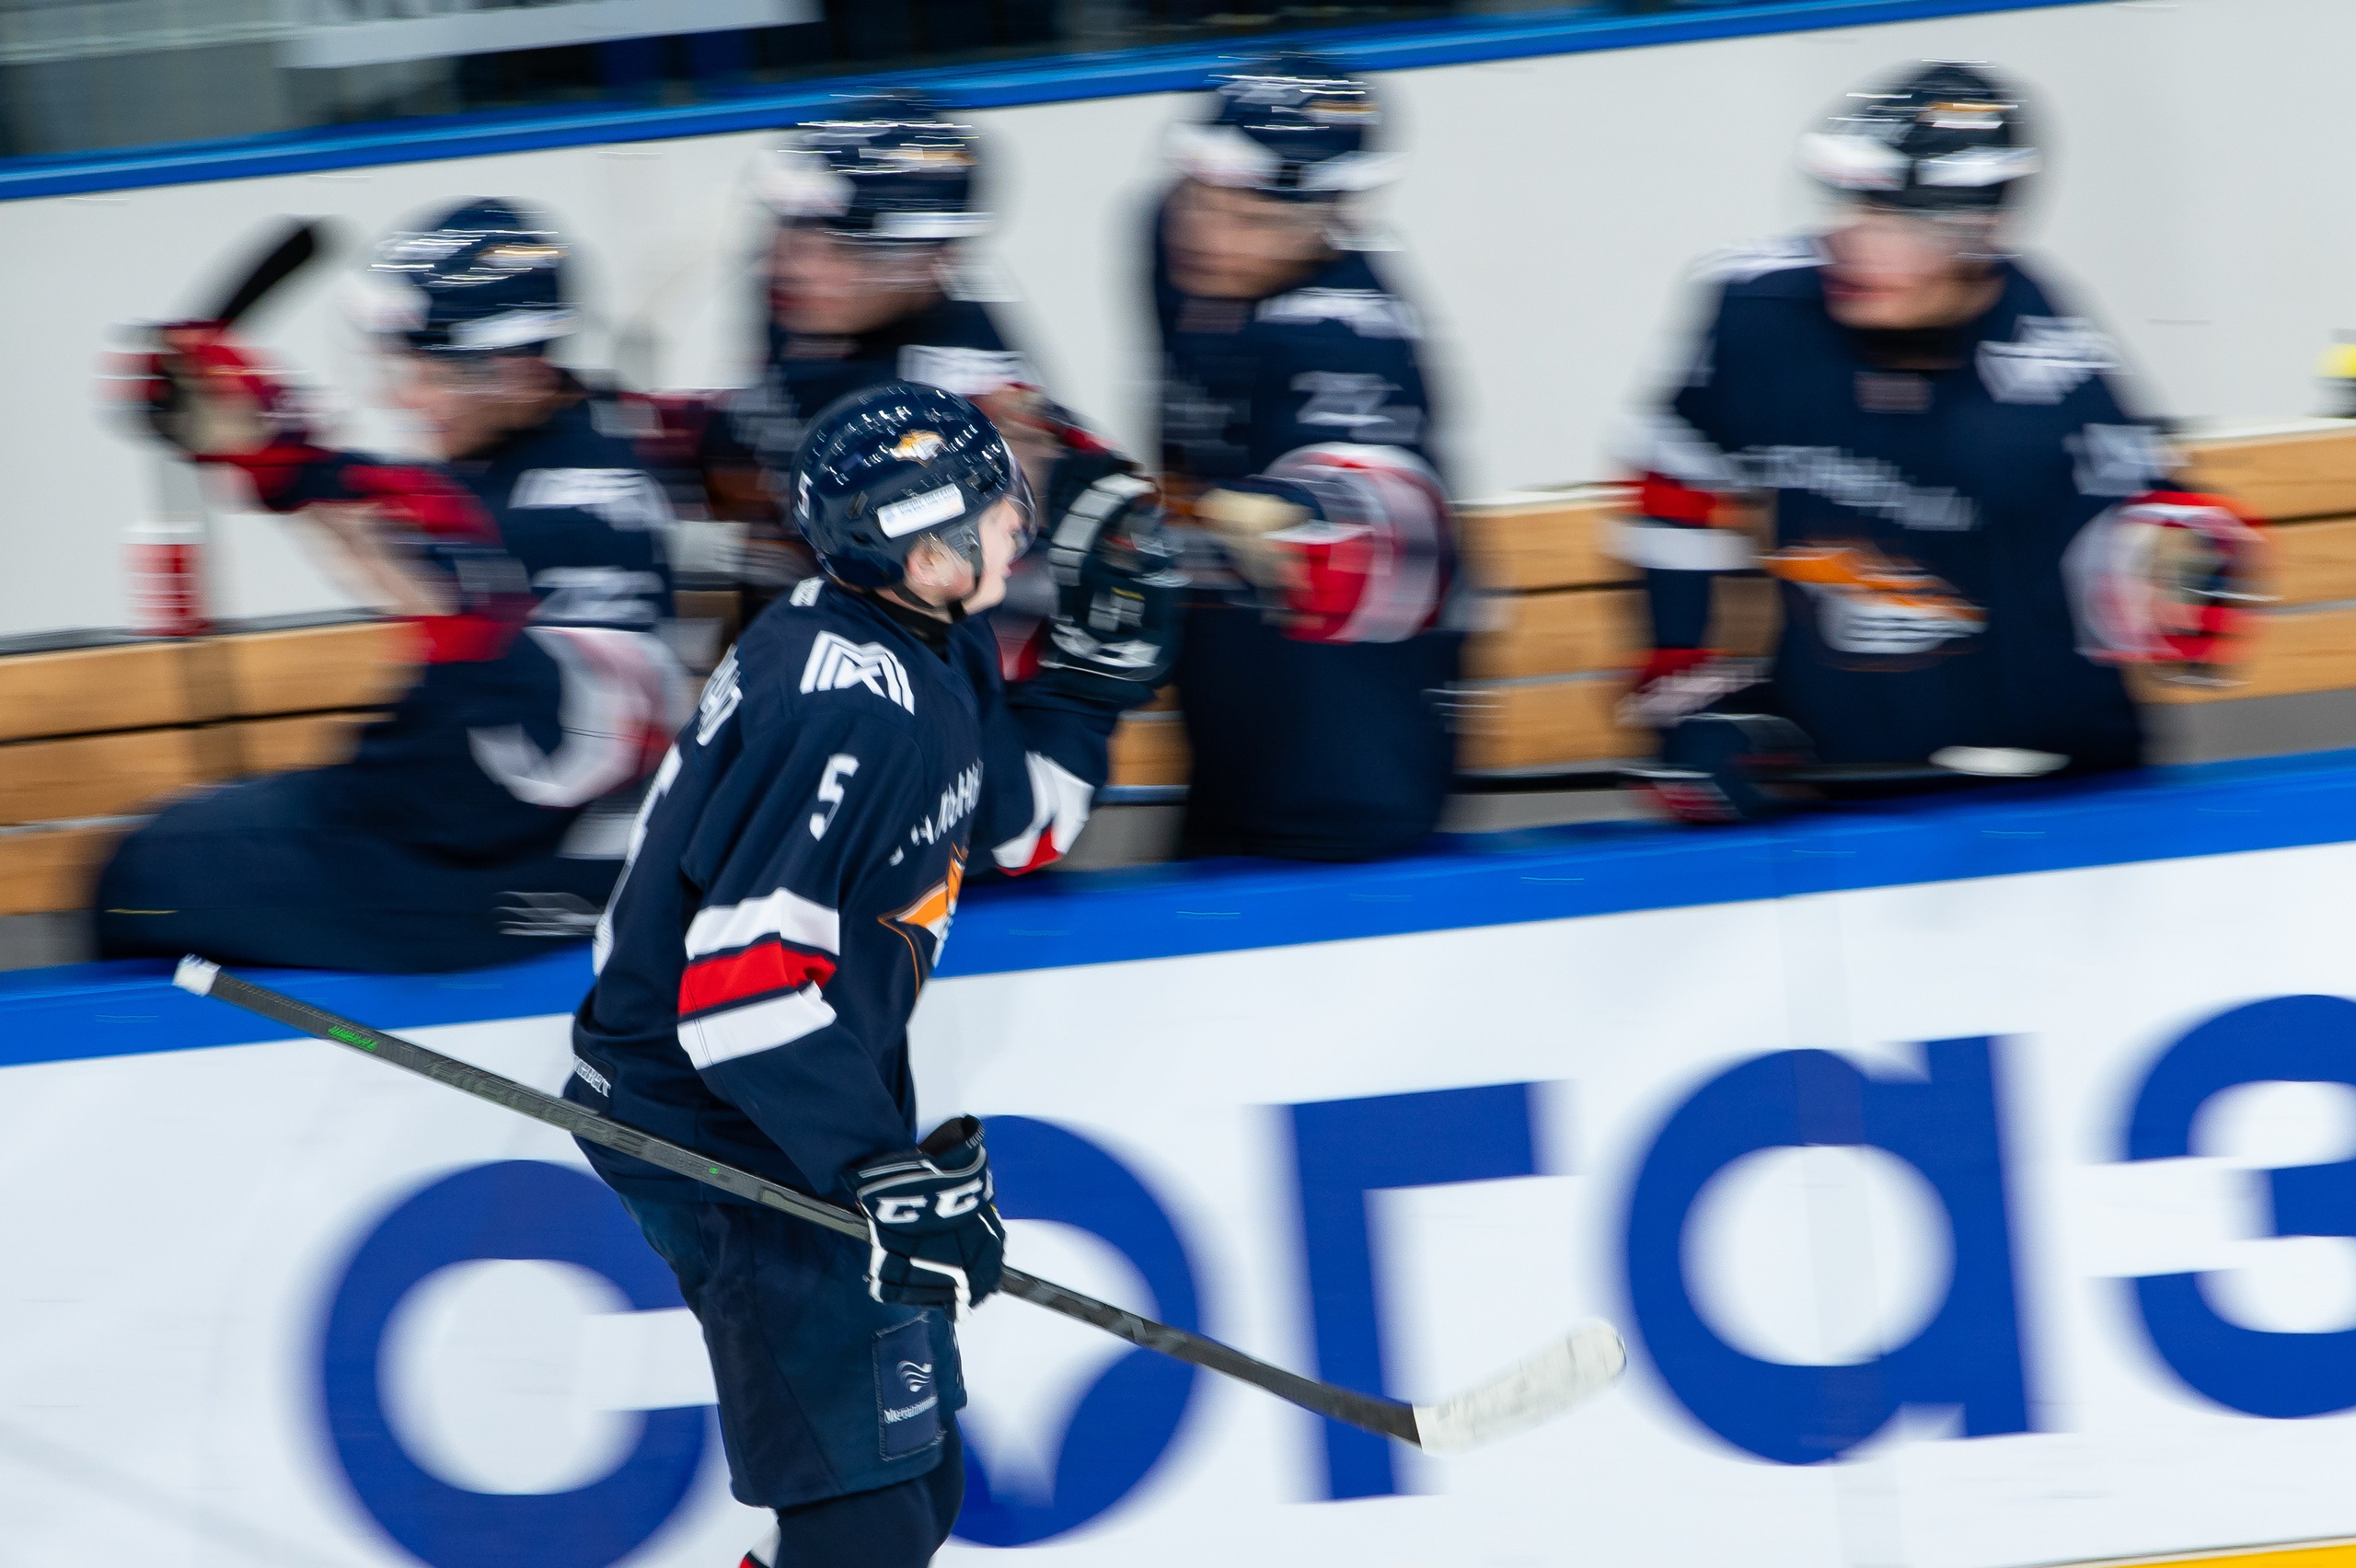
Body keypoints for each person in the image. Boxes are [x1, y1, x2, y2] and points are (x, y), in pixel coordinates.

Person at [566, 383, 1179, 1568]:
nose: (1024, 522)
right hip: (716, 1128)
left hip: (780, 1101)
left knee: (917, 1478)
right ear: (927, 542)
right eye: (1000, 507)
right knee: (866, 1513)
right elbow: (739, 993)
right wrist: (877, 1174)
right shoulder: (852, 710)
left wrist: (1092, 690)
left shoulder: (921, 641)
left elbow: (1012, 826)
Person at [1619, 61, 2264, 823]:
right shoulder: (1756, 310)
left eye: (1898, 217)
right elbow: (1675, 466)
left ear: (1978, 232)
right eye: (1851, 202)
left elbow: (2150, 542)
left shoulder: (2050, 381)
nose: (1857, 240)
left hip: (2048, 789)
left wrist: (2171, 571)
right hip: (1841, 775)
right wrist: (1683, 681)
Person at [98, 201, 685, 969]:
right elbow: (414, 529)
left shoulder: (581, 506)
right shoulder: (548, 448)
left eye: (422, 371)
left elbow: (556, 720)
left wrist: (279, 451)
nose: (400, 396)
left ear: (510, 366)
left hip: (507, 870)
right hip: (463, 828)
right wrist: (263, 443)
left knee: (142, 880)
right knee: (177, 845)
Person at [1149, 52, 1462, 861]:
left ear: (1333, 217)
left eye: (1249, 219)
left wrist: (1291, 519)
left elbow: (1371, 526)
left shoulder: (1350, 338)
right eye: (1199, 197)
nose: (1206, 234)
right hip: (1228, 738)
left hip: (1344, 777)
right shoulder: (1174, 251)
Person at [687, 93, 1047, 601]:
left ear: (933, 261)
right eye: (790, 229)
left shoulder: (964, 401)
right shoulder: (802, 301)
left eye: (841, 247)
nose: (794, 264)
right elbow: (734, 462)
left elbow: (962, 612)